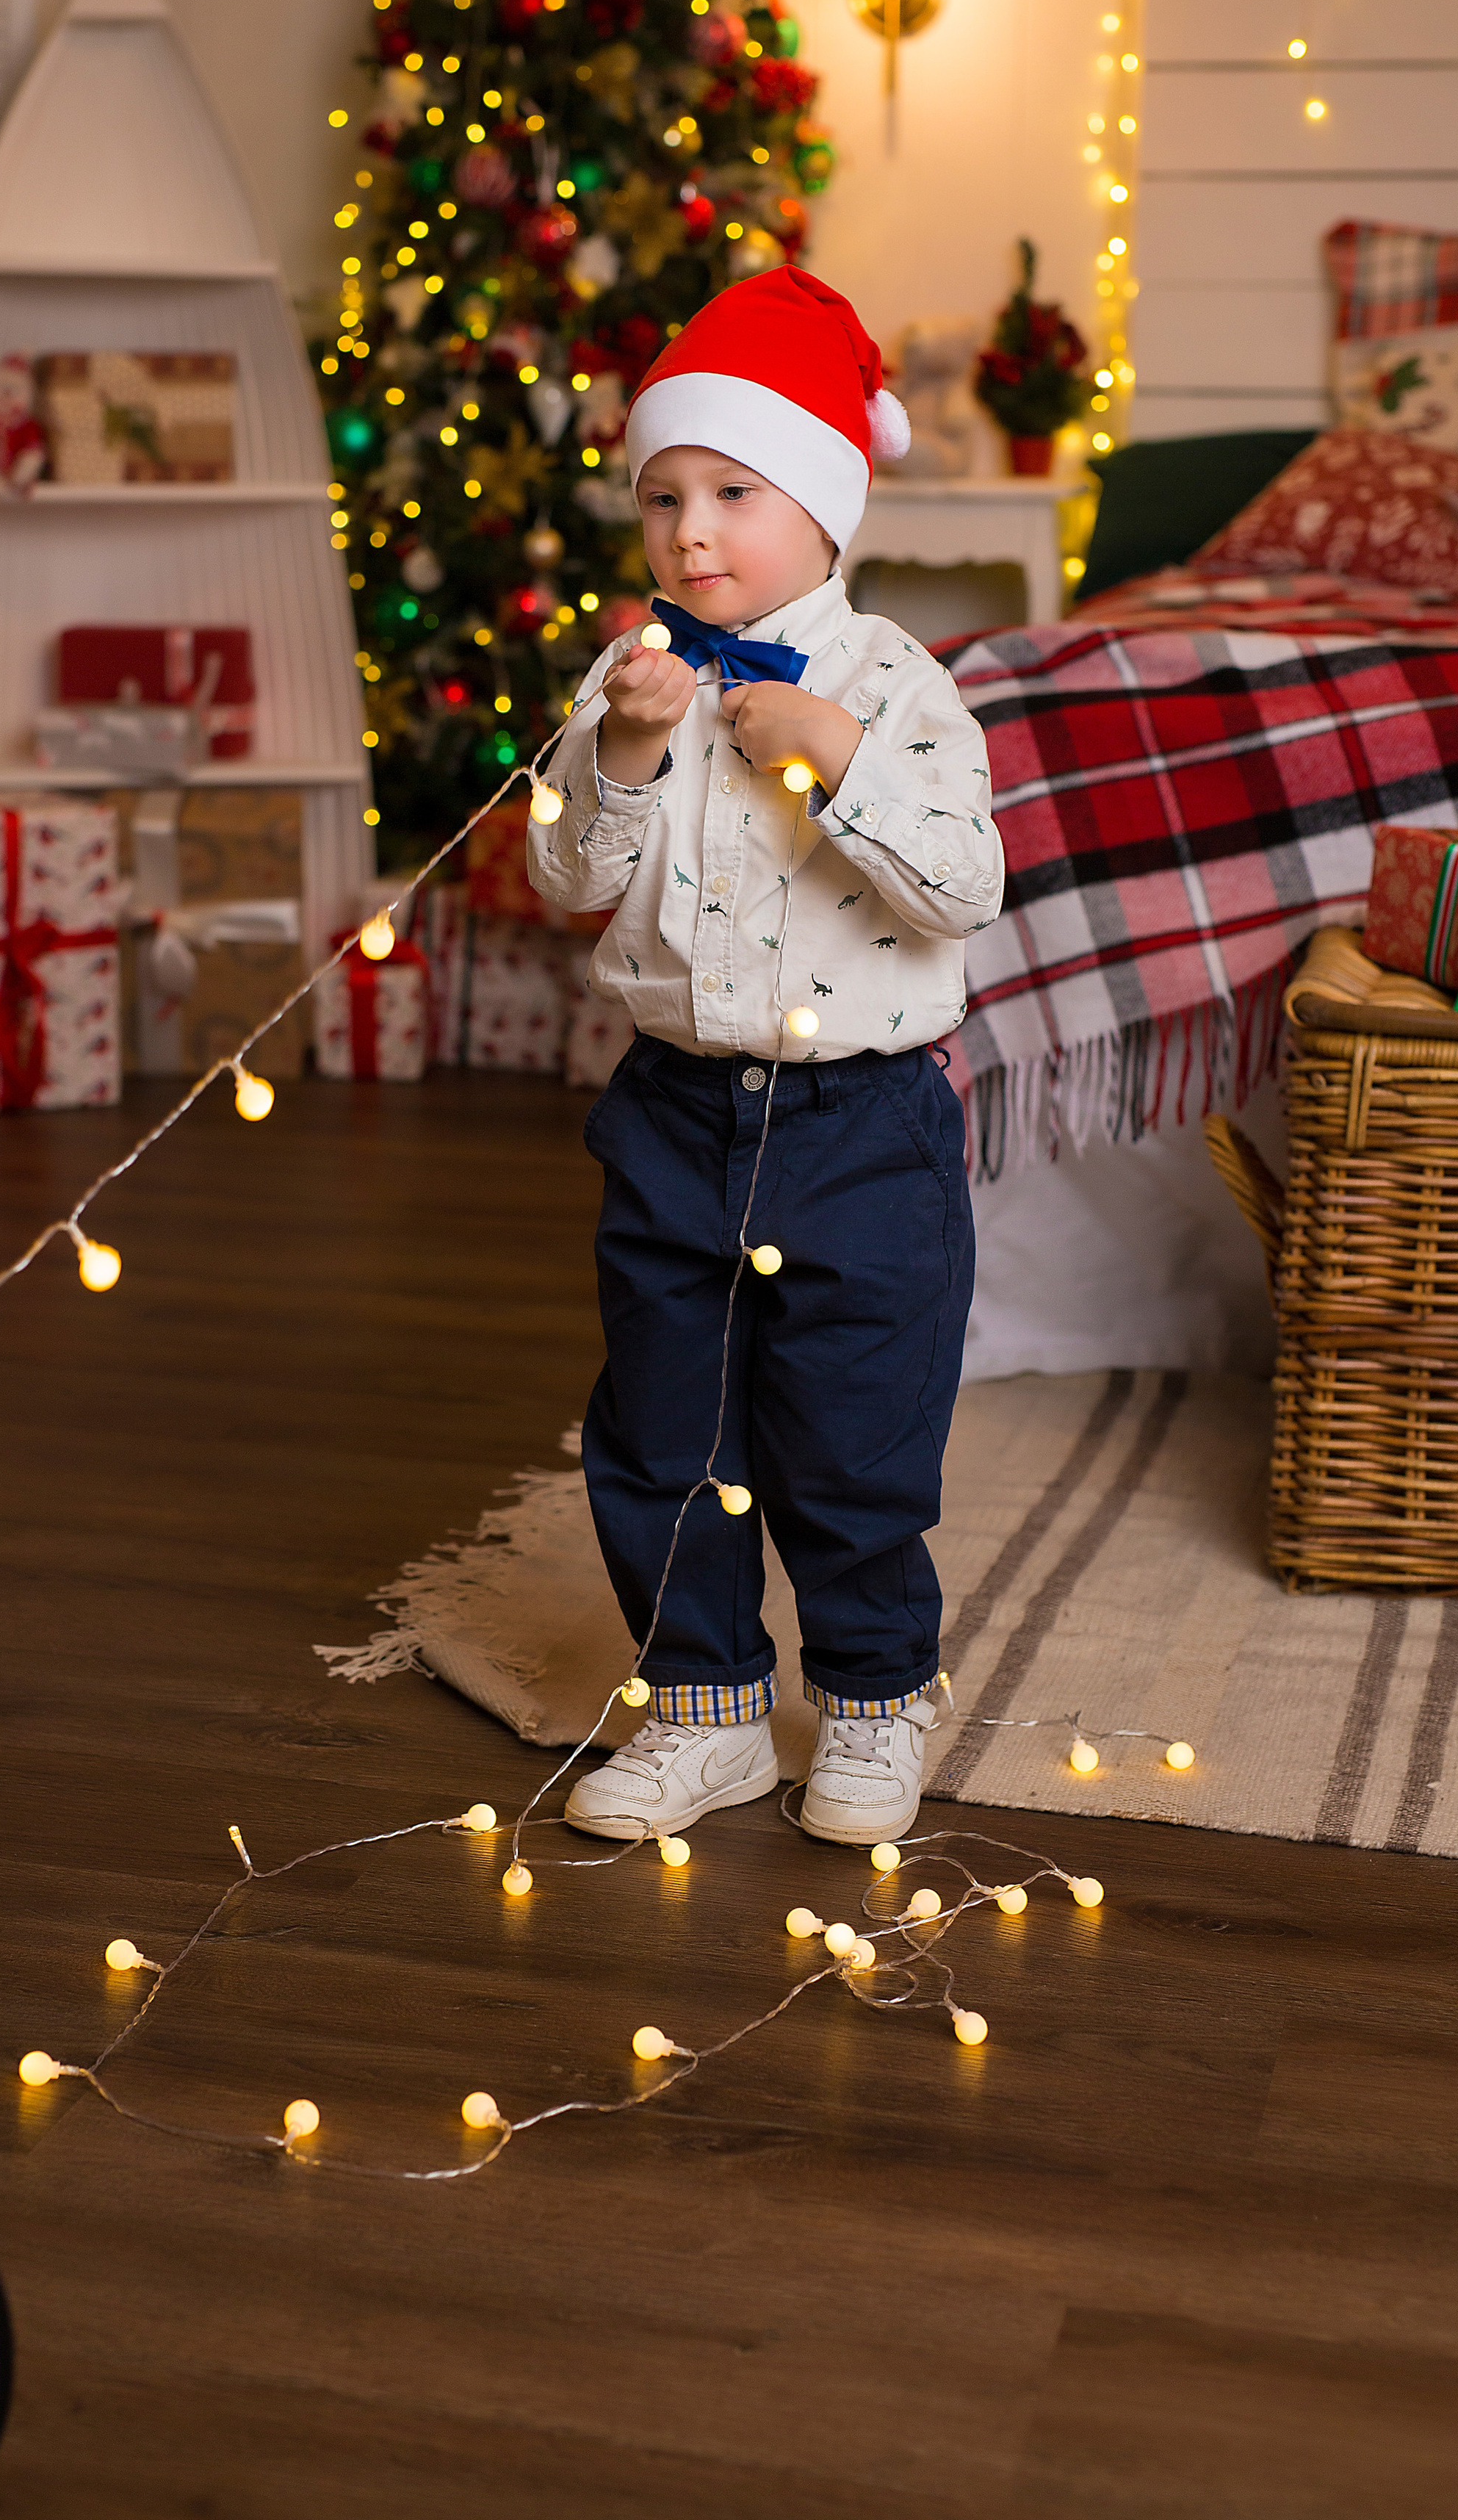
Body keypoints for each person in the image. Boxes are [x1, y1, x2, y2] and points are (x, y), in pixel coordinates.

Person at [527, 266, 1004, 1848]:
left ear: (825, 502)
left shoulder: (899, 689)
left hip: (861, 1127)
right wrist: (624, 748)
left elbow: (961, 886)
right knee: (664, 1431)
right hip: (674, 1111)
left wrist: (839, 761)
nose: (691, 533)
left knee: (852, 1434)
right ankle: (706, 1710)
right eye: (663, 496)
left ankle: (872, 1700)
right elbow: (566, 877)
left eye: (735, 492)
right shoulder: (631, 679)